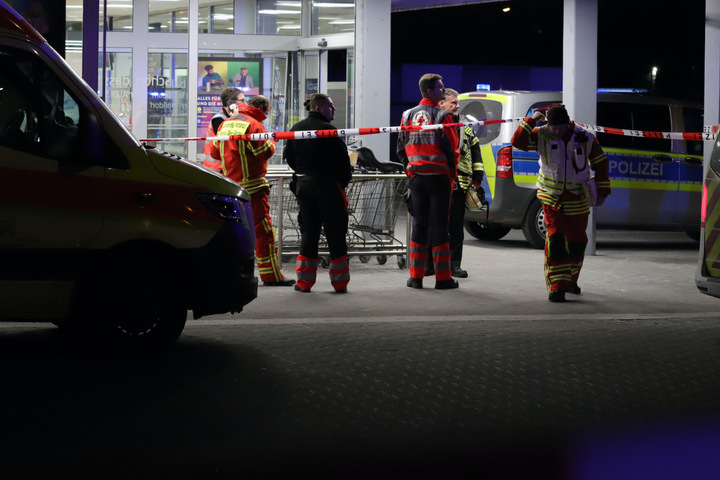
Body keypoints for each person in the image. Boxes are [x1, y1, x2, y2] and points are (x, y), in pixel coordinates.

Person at [511, 104, 611, 303]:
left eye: (560, 127)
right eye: (552, 127)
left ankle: (570, 281)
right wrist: (531, 121)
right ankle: (557, 287)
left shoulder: (585, 137)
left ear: (568, 123)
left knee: (578, 242)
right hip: (551, 198)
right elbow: (518, 142)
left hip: (577, 199)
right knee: (556, 240)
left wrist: (602, 192)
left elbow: (600, 162)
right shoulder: (542, 134)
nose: (555, 131)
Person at [217, 95, 295, 287]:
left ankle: (229, 274)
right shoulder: (254, 125)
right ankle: (271, 276)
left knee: (233, 233)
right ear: (260, 107)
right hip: (253, 188)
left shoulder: (225, 124)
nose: (266, 116)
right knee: (263, 232)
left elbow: (214, 150)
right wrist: (273, 141)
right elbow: (263, 153)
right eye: (266, 112)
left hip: (230, 187)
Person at [283, 93, 352, 293]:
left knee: (309, 233)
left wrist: (303, 175)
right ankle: (339, 283)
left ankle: (304, 282)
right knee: (336, 234)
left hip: (304, 187)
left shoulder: (296, 128)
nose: (334, 109)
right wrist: (341, 183)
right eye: (331, 106)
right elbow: (343, 162)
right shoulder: (330, 130)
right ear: (319, 108)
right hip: (328, 187)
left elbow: (290, 158)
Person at [397, 73, 460, 290]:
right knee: (440, 227)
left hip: (416, 179)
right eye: (440, 88)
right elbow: (452, 150)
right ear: (430, 91)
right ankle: (443, 278)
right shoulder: (444, 117)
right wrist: (452, 176)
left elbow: (400, 148)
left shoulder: (406, 116)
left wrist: (411, 171)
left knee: (419, 226)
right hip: (440, 179)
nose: (443, 91)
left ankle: (416, 277)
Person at [425, 88, 485, 278]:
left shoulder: (465, 127)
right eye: (453, 103)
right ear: (441, 104)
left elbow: (476, 152)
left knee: (455, 228)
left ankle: (454, 265)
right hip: (438, 182)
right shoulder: (433, 124)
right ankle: (430, 265)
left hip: (459, 185)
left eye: (457, 103)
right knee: (433, 225)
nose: (458, 106)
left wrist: (477, 178)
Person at [203, 87, 245, 171]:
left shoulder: (230, 117)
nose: (245, 103)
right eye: (242, 100)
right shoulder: (218, 120)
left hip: (227, 167)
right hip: (217, 168)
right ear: (230, 102)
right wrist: (235, 119)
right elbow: (230, 142)